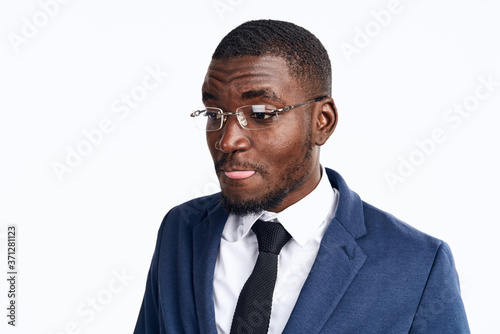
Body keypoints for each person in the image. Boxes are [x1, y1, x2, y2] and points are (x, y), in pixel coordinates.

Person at [134, 19, 469, 333]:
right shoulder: (181, 230)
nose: (227, 140)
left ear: (322, 121)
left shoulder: (417, 265)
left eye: (262, 114)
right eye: (213, 113)